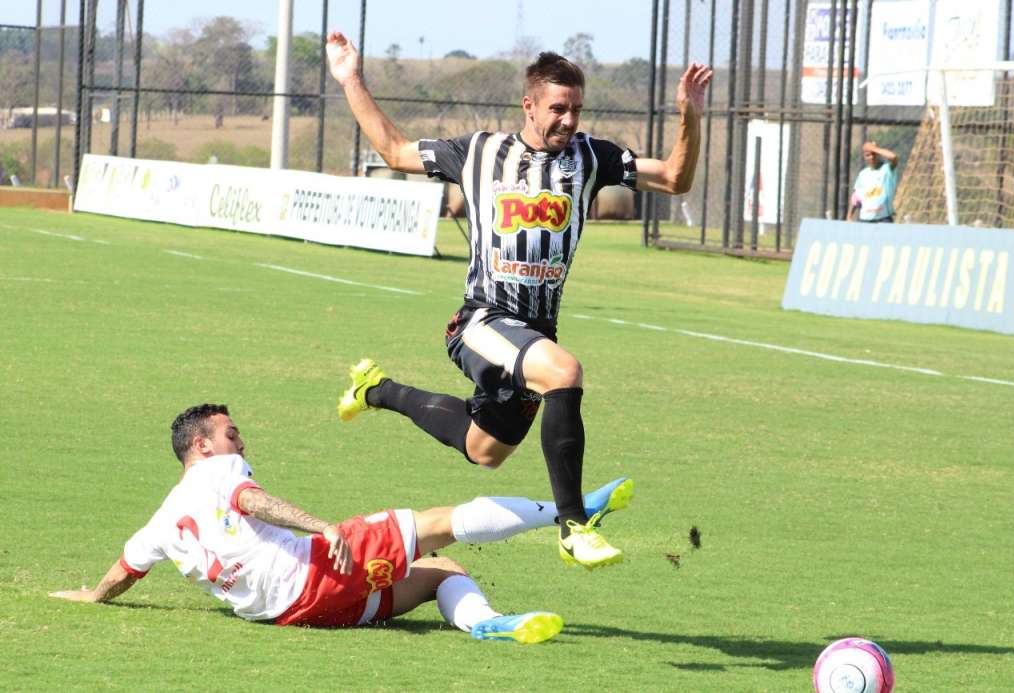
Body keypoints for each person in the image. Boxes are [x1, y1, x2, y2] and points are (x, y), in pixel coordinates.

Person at [327, 32, 708, 571]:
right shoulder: (478, 152)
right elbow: (393, 149)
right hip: (481, 321)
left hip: (533, 334)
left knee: (485, 449)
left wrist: (689, 116)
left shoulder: (591, 157)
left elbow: (674, 178)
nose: (569, 121)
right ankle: (574, 526)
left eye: (576, 110)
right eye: (558, 109)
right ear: (529, 105)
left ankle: (376, 389)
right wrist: (351, 79)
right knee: (564, 372)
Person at [49, 403, 632, 642]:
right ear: (200, 446)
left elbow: (124, 571)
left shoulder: (159, 523)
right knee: (441, 522)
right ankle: (572, 511)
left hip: (295, 613)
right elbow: (253, 501)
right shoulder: (218, 470)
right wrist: (322, 527)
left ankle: (489, 625)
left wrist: (91, 595)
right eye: (230, 433)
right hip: (311, 574)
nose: (240, 441)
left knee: (442, 571)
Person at [847, 141, 899, 223]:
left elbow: (893, 157)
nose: (871, 157)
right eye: (868, 155)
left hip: (883, 218)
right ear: (864, 157)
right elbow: (855, 197)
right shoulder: (863, 174)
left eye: (874, 154)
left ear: (878, 154)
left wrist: (873, 148)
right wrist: (849, 217)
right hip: (865, 219)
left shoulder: (887, 168)